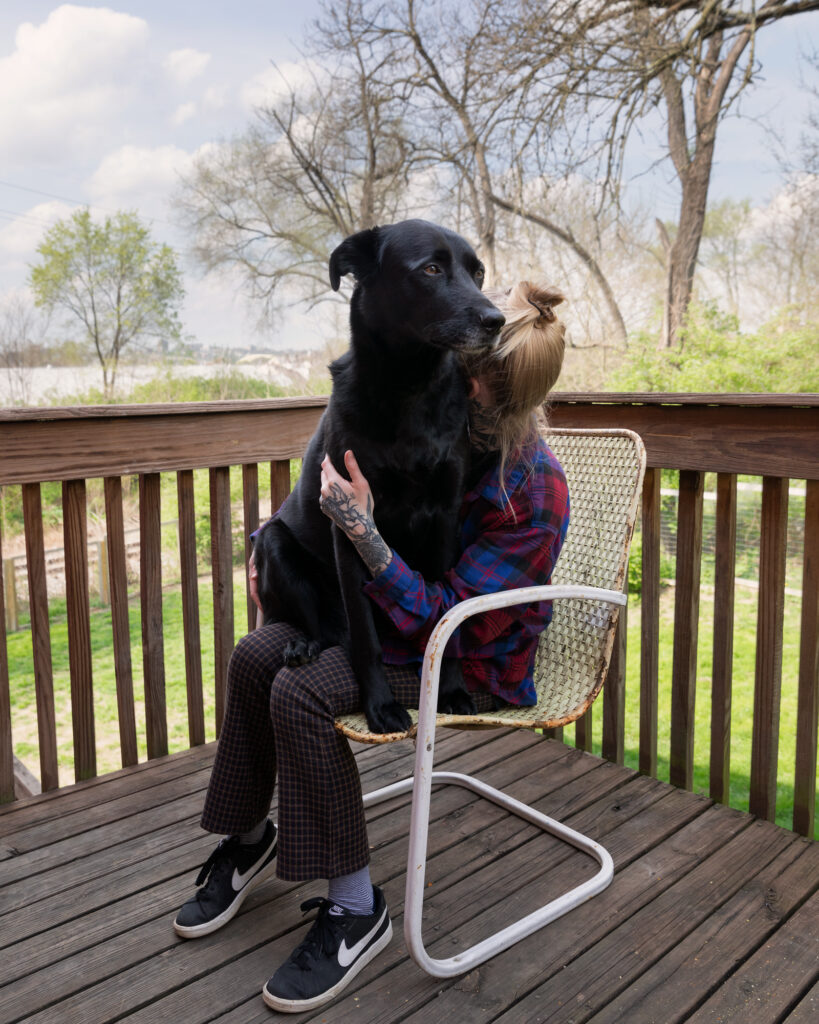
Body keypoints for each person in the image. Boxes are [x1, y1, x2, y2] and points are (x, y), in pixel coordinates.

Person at [172, 280, 570, 1014]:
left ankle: (357, 907)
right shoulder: (446, 436)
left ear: (479, 386)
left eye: (453, 371)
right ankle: (252, 835)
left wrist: (364, 533)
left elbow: (452, 614)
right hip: (403, 632)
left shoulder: (530, 485)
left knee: (300, 690)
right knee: (254, 655)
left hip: (468, 664)